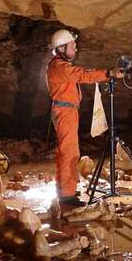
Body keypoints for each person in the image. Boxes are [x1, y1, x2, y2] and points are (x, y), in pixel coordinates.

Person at [47, 29, 124, 207]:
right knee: (69, 153)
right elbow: (83, 75)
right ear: (62, 48)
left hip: (66, 110)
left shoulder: (57, 65)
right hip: (65, 112)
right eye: (73, 46)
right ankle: (67, 195)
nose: (76, 49)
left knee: (66, 152)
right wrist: (108, 73)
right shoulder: (60, 66)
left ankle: (66, 189)